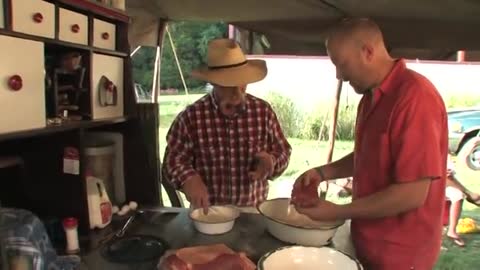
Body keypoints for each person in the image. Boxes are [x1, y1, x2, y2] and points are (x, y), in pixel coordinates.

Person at [291, 18, 448, 269]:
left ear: (368, 52)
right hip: (368, 241)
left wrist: (338, 212)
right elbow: (368, 155)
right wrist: (322, 172)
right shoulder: (370, 96)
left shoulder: (415, 97)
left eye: (341, 64)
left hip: (401, 253)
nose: (339, 75)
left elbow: (412, 194)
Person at [162, 38, 292, 213]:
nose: (237, 93)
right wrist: (188, 178)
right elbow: (173, 160)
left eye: (242, 82)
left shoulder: (263, 112)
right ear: (213, 82)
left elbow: (283, 150)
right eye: (229, 84)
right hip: (208, 212)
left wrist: (272, 161)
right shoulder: (191, 118)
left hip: (252, 211)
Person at [445, 156, 480, 247]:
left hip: (443, 184)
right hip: (425, 184)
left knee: (457, 194)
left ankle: (451, 231)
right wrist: (469, 193)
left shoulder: (444, 152)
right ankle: (471, 195)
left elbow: (449, 176)